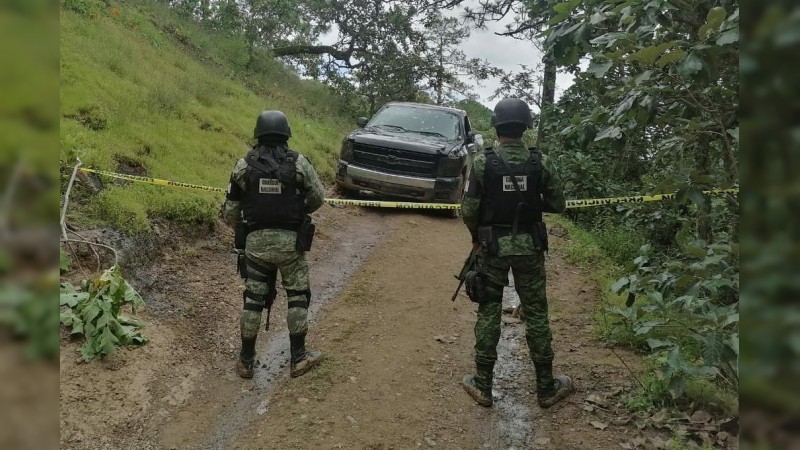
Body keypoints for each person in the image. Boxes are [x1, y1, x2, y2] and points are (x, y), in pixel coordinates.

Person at [459, 98, 574, 408]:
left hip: (492, 247)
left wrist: (475, 238)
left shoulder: (483, 163)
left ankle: (483, 384)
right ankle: (546, 388)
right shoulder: (542, 162)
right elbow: (558, 204)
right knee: (536, 312)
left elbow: (468, 209)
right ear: (526, 127)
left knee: (488, 309)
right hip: (530, 248)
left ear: (497, 127)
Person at [221, 110, 325, 379]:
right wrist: (298, 207)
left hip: (256, 246)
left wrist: (247, 229)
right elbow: (317, 198)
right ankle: (299, 358)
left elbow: (231, 211)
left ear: (258, 133)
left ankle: (246, 361)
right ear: (286, 134)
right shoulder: (299, 163)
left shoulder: (243, 165)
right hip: (292, 245)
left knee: (253, 300)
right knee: (298, 297)